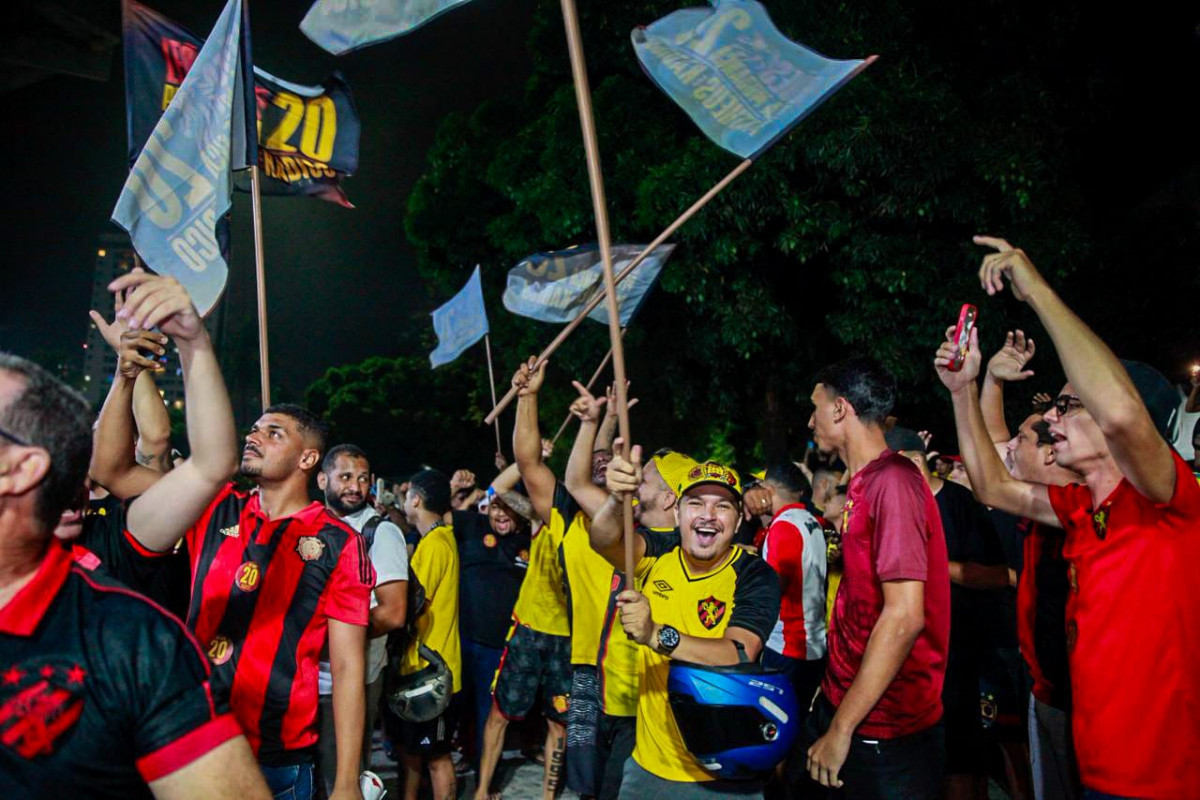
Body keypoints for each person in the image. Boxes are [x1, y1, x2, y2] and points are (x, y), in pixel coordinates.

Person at [935, 235, 1200, 800]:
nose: (1051, 417)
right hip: (1092, 762)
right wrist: (962, 391)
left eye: (1070, 404)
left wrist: (1036, 291)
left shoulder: (1165, 501)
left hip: (1160, 782)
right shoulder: (1081, 509)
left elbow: (1125, 415)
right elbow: (993, 485)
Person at [104, 266, 374, 800]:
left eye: (274, 433)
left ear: (308, 458)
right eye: (254, 429)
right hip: (193, 739)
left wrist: (345, 782)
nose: (254, 437)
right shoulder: (214, 508)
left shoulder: (341, 543)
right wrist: (125, 375)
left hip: (279, 761)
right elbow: (113, 472)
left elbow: (347, 670)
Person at [0, 352, 272, 800]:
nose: (73, 497)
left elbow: (183, 454)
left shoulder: (132, 636)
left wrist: (178, 351)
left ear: (27, 469)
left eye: (79, 486)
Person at [587, 451, 780, 799]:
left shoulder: (755, 574)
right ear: (676, 513)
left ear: (738, 522)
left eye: (722, 506)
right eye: (696, 503)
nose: (708, 516)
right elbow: (602, 540)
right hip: (650, 767)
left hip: (725, 770)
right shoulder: (659, 550)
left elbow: (737, 652)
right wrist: (616, 498)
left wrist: (655, 634)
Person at [803, 358, 950, 800]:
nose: (810, 420)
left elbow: (905, 617)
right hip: (851, 703)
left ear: (840, 409)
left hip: (884, 727)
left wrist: (842, 727)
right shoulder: (866, 482)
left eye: (816, 407)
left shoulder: (894, 481)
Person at [560, 381, 693, 800]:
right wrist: (590, 423)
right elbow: (578, 484)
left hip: (646, 704)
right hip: (604, 689)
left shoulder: (685, 556)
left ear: (670, 499)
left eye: (647, 476)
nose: (639, 476)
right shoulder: (632, 536)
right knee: (590, 789)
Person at [885, 426, 1008, 800]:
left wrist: (931, 564)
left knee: (961, 763)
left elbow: (999, 576)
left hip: (957, 657)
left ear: (914, 461)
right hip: (905, 659)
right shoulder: (892, 506)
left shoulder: (959, 503)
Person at [474, 359, 575, 800]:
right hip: (530, 628)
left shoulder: (609, 531)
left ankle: (549, 796)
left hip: (571, 640)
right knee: (500, 714)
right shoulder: (548, 515)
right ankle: (481, 791)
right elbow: (506, 482)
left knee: (560, 722)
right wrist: (528, 398)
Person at [314, 444, 410, 798]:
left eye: (363, 478)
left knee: (342, 777)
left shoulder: (379, 532)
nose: (355, 486)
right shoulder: (310, 526)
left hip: (353, 678)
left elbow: (393, 612)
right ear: (323, 479)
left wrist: (331, 640)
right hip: (307, 677)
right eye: (345, 477)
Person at [451, 462, 532, 776]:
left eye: (509, 510)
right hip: (460, 639)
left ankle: (487, 776)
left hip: (499, 648)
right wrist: (521, 463)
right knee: (456, 707)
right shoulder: (473, 526)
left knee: (490, 715)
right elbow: (493, 491)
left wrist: (516, 484)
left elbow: (521, 504)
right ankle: (450, 758)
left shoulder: (529, 542)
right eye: (496, 508)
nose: (501, 514)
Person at [399, 469, 462, 800]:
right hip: (425, 669)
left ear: (416, 499)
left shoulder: (435, 545)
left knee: (437, 757)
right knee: (416, 751)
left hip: (435, 672)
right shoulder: (439, 539)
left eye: (407, 495)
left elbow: (412, 603)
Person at [759, 462, 827, 704]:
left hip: (788, 646)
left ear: (768, 489)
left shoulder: (784, 526)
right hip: (813, 643)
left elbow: (776, 584)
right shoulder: (810, 520)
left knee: (779, 727)